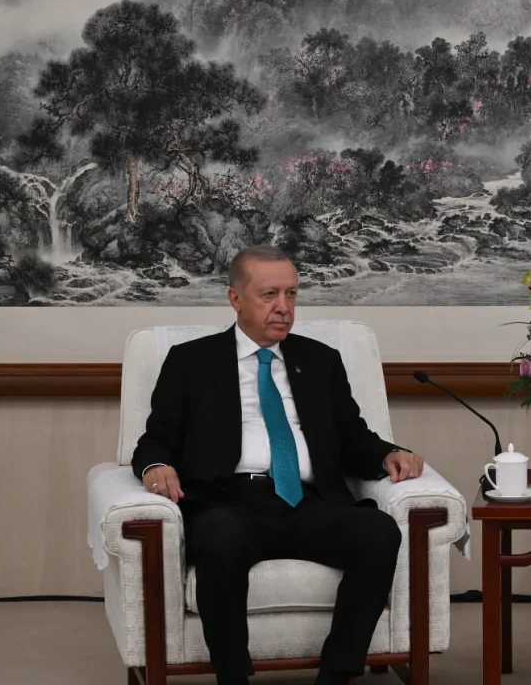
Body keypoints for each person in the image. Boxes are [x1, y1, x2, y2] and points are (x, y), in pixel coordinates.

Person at [131, 244, 426, 685]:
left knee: (378, 531)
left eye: (291, 294)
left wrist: (388, 454)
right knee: (219, 535)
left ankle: (337, 673)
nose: (284, 307)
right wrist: (155, 465)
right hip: (228, 502)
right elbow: (157, 438)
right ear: (235, 299)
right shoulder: (191, 361)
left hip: (306, 501)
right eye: (270, 294)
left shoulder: (320, 360)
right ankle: (233, 677)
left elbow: (352, 437)